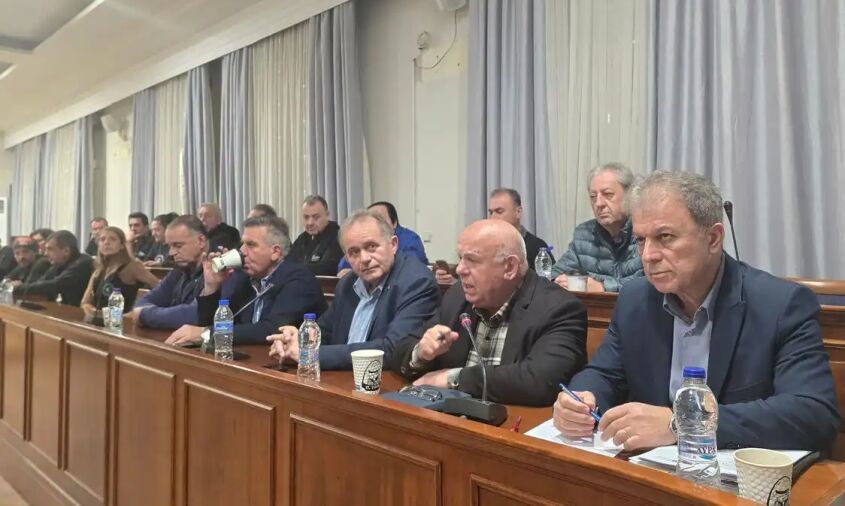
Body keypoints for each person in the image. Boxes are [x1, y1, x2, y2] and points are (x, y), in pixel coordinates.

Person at [553, 171, 839, 452]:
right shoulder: (635, 299)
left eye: (665, 237)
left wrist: (683, 424)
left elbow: (813, 413)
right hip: (647, 470)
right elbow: (604, 374)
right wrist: (581, 400)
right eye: (640, 240)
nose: (648, 255)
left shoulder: (780, 305)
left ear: (713, 238)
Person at [391, 219, 587, 406]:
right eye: (460, 258)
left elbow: (540, 381)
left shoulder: (559, 308)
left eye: (472, 260)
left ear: (509, 267)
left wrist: (454, 378)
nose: (459, 270)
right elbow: (400, 350)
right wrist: (421, 353)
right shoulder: (458, 296)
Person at [268, 210, 440, 370]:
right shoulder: (348, 284)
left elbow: (393, 349)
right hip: (342, 379)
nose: (364, 259)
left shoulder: (416, 282)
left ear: (393, 244)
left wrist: (310, 356)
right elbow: (324, 331)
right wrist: (296, 340)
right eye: (354, 252)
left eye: (372, 247)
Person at [165, 216, 327, 346]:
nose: (241, 251)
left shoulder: (299, 279)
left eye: (251, 245)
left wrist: (206, 334)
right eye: (242, 244)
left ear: (275, 252)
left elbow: (271, 329)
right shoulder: (244, 277)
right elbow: (215, 321)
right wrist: (212, 286)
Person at [551, 163, 643, 292]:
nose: (598, 203)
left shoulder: (644, 232)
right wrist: (562, 281)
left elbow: (648, 284)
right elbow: (555, 274)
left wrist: (602, 287)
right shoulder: (585, 234)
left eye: (608, 194)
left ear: (630, 196)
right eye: (593, 197)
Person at [131, 215, 208, 329]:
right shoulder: (178, 271)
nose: (171, 253)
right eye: (170, 246)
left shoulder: (220, 272)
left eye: (178, 245)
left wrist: (144, 315)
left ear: (201, 241)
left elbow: (196, 314)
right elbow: (143, 303)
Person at [81, 227, 161, 317]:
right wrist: (89, 309)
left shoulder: (132, 267)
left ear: (122, 245)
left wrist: (138, 312)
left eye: (113, 239)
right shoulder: (99, 270)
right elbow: (85, 302)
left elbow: (160, 287)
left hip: (123, 321)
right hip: (99, 320)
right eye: (102, 239)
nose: (106, 243)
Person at [337, 201, 428, 277]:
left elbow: (412, 267)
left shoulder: (410, 238)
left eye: (372, 246)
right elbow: (344, 267)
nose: (364, 258)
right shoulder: (345, 286)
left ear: (394, 223)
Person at [11, 230, 93, 306]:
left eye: (49, 249)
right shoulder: (58, 263)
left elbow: (54, 285)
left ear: (66, 251)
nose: (45, 254)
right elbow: (40, 283)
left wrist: (17, 288)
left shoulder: (82, 263)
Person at [287, 195, 343, 276]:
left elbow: (328, 268)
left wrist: (295, 268)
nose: (310, 223)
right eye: (306, 217)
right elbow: (288, 262)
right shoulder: (302, 238)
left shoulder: (338, 236)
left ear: (327, 215)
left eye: (316, 217)